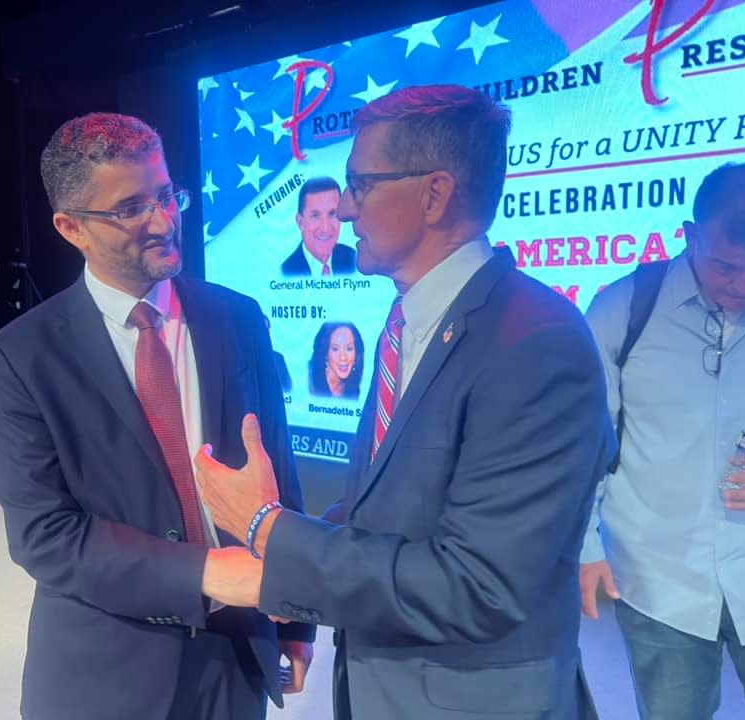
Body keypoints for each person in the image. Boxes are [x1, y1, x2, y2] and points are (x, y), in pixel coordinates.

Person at [194, 85, 615, 720]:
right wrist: (292, 555)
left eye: (359, 185)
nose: (346, 211)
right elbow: (395, 506)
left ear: (435, 194)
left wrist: (267, 528)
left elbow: (477, 586)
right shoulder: (409, 318)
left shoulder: (537, 343)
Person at [0, 112, 314, 720]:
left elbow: (277, 469)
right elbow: (44, 537)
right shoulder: (23, 354)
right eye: (131, 208)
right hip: (105, 668)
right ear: (70, 227)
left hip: (237, 654)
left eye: (166, 195)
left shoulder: (238, 319)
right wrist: (207, 571)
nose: (164, 221)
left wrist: (297, 618)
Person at [580, 161, 745, 720]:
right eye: (724, 266)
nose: (744, 285)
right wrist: (586, 546)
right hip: (658, 576)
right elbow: (582, 441)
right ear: (689, 236)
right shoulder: (624, 307)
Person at [280, 177, 356, 276]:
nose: (326, 228)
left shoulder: (353, 259)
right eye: (315, 216)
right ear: (300, 222)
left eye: (332, 214)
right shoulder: (285, 271)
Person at [308, 321, 364, 398]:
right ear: (325, 352)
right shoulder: (310, 382)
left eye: (349, 349)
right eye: (335, 349)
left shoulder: (354, 388)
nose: (343, 357)